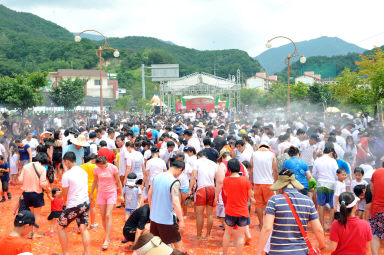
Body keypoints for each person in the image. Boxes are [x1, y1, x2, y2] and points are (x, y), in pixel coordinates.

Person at [256, 169, 326, 255]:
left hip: (277, 252)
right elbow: (318, 229)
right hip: (300, 252)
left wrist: (259, 252)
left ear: (281, 186)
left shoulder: (274, 200)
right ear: (294, 184)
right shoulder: (308, 201)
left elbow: (267, 228)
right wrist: (322, 246)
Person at [148, 159, 185, 250]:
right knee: (178, 244)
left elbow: (149, 194)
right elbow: (175, 202)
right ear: (180, 169)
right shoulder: (174, 181)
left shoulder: (156, 177)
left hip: (154, 218)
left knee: (157, 244)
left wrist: (152, 209)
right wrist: (181, 220)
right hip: (166, 219)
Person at [58, 151, 91, 255]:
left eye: (64, 163)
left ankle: (65, 252)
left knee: (60, 226)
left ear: (67, 161)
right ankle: (87, 253)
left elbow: (64, 193)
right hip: (85, 202)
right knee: (83, 228)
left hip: (75, 204)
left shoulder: (67, 174)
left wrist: (60, 197)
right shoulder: (83, 172)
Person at [222, 159, 253, 255]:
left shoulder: (226, 180)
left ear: (229, 169)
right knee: (240, 236)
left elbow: (226, 194)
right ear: (239, 168)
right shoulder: (245, 180)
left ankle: (224, 253)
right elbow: (250, 195)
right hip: (243, 211)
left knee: (227, 233)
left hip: (230, 211)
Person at [91, 156, 123, 250]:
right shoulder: (96, 169)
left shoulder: (113, 168)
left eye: (100, 166)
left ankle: (106, 238)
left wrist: (121, 194)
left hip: (111, 193)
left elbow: (118, 182)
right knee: (103, 216)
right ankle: (107, 234)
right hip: (101, 193)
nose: (99, 167)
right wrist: (92, 193)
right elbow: (95, 181)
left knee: (108, 215)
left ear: (104, 164)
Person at [188, 151, 217, 239]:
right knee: (210, 214)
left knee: (199, 214)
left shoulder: (196, 162)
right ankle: (208, 235)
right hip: (212, 189)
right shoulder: (213, 163)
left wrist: (190, 190)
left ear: (198, 156)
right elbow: (217, 178)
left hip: (202, 189)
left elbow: (193, 177)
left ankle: (199, 235)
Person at [18, 153, 48, 238]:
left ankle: (31, 232)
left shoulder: (25, 166)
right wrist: (46, 183)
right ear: (43, 161)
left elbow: (20, 180)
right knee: (37, 215)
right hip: (37, 194)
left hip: (26, 193)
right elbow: (42, 184)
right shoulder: (42, 168)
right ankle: (35, 233)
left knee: (31, 214)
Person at [250, 143, 277, 230]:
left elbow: (251, 169)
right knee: (271, 205)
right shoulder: (271, 154)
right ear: (268, 148)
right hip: (269, 183)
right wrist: (276, 181)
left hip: (257, 182)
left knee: (258, 205)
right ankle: (270, 224)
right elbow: (275, 170)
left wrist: (251, 181)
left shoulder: (254, 154)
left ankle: (261, 224)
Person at [312, 142, 339, 229]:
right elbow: (336, 174)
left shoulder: (317, 160)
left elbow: (314, 174)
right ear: (331, 152)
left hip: (321, 184)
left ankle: (321, 225)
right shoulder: (333, 161)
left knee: (321, 204)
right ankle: (330, 226)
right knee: (332, 205)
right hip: (331, 184)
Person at [80, 154, 98, 229]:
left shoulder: (82, 166)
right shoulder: (95, 167)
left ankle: (82, 224)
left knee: (83, 206)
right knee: (92, 206)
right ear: (93, 160)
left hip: (83, 187)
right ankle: (92, 224)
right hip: (92, 188)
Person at [369, 164, 384, 255]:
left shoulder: (376, 172)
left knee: (375, 235)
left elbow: (371, 188)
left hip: (377, 209)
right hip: (378, 208)